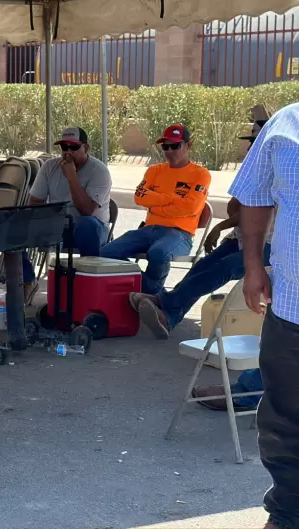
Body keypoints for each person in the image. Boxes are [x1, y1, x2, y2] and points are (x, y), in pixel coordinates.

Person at [131, 119, 272, 340]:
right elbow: (235, 206)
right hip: (242, 236)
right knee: (202, 267)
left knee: (223, 268)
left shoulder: (280, 172)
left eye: (255, 142)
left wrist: (219, 227)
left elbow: (257, 212)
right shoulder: (255, 170)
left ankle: (165, 301)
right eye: (250, 142)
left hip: (272, 244)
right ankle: (169, 318)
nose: (250, 148)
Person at [228, 103, 299, 529]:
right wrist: (254, 264)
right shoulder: (285, 125)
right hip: (293, 310)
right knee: (285, 424)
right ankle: (288, 515)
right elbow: (255, 196)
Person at [100, 124, 211, 294]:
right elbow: (139, 197)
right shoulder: (154, 170)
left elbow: (191, 207)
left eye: (175, 146)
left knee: (158, 254)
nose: (169, 151)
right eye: (165, 146)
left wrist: (156, 203)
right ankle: (152, 291)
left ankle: (148, 293)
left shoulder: (200, 174)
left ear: (188, 145)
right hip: (149, 229)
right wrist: (173, 200)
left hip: (180, 233)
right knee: (107, 252)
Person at [23, 127, 112, 294]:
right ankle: (27, 281)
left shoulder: (99, 171)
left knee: (87, 225)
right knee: (16, 226)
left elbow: (87, 210)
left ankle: (89, 286)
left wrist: (71, 177)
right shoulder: (50, 166)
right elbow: (34, 202)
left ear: (86, 148)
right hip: (59, 226)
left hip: (91, 229)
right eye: (64, 147)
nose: (68, 152)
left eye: (74, 147)